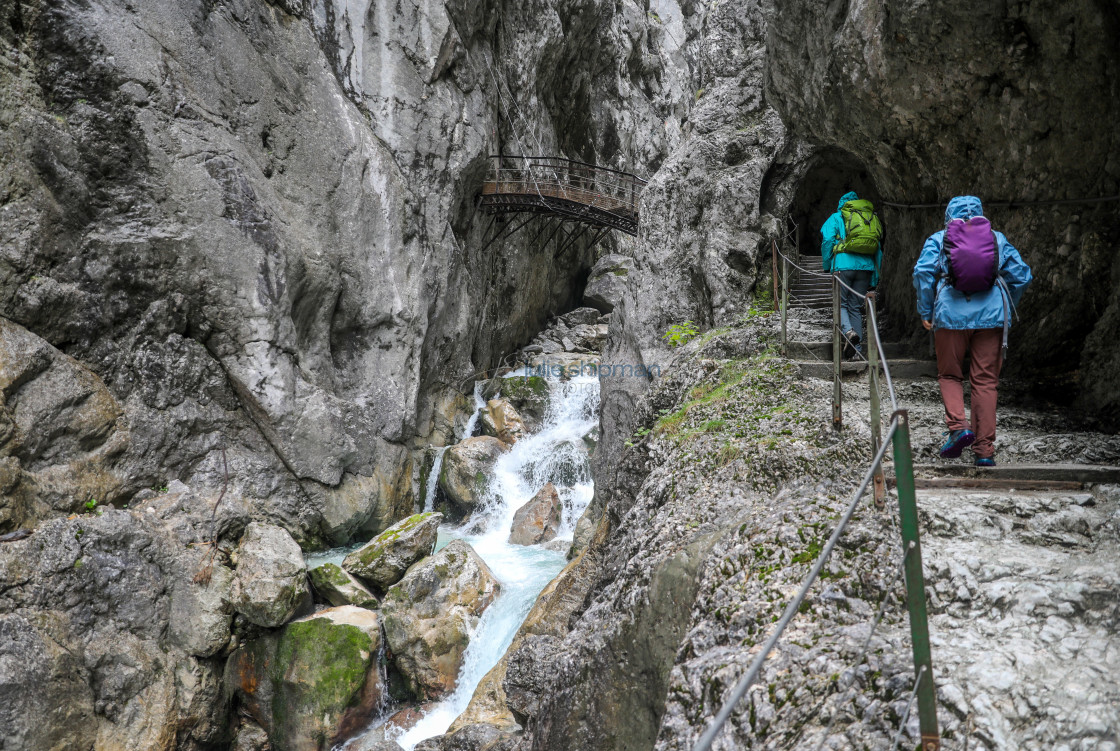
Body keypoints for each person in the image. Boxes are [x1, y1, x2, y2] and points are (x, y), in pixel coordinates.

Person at [912, 195, 1032, 467]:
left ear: (948, 217)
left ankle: (959, 428)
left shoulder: (939, 239)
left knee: (950, 374)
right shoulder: (996, 238)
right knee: (986, 381)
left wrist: (926, 310)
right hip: (991, 319)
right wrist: (1005, 304)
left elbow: (922, 273)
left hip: (950, 316)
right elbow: (1022, 275)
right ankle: (985, 451)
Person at [821, 191, 883, 358]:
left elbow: (827, 240)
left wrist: (827, 265)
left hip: (842, 266)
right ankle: (857, 352)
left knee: (840, 304)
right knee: (855, 307)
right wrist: (875, 276)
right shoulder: (868, 218)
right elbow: (877, 247)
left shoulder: (837, 217)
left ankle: (849, 332)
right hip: (866, 267)